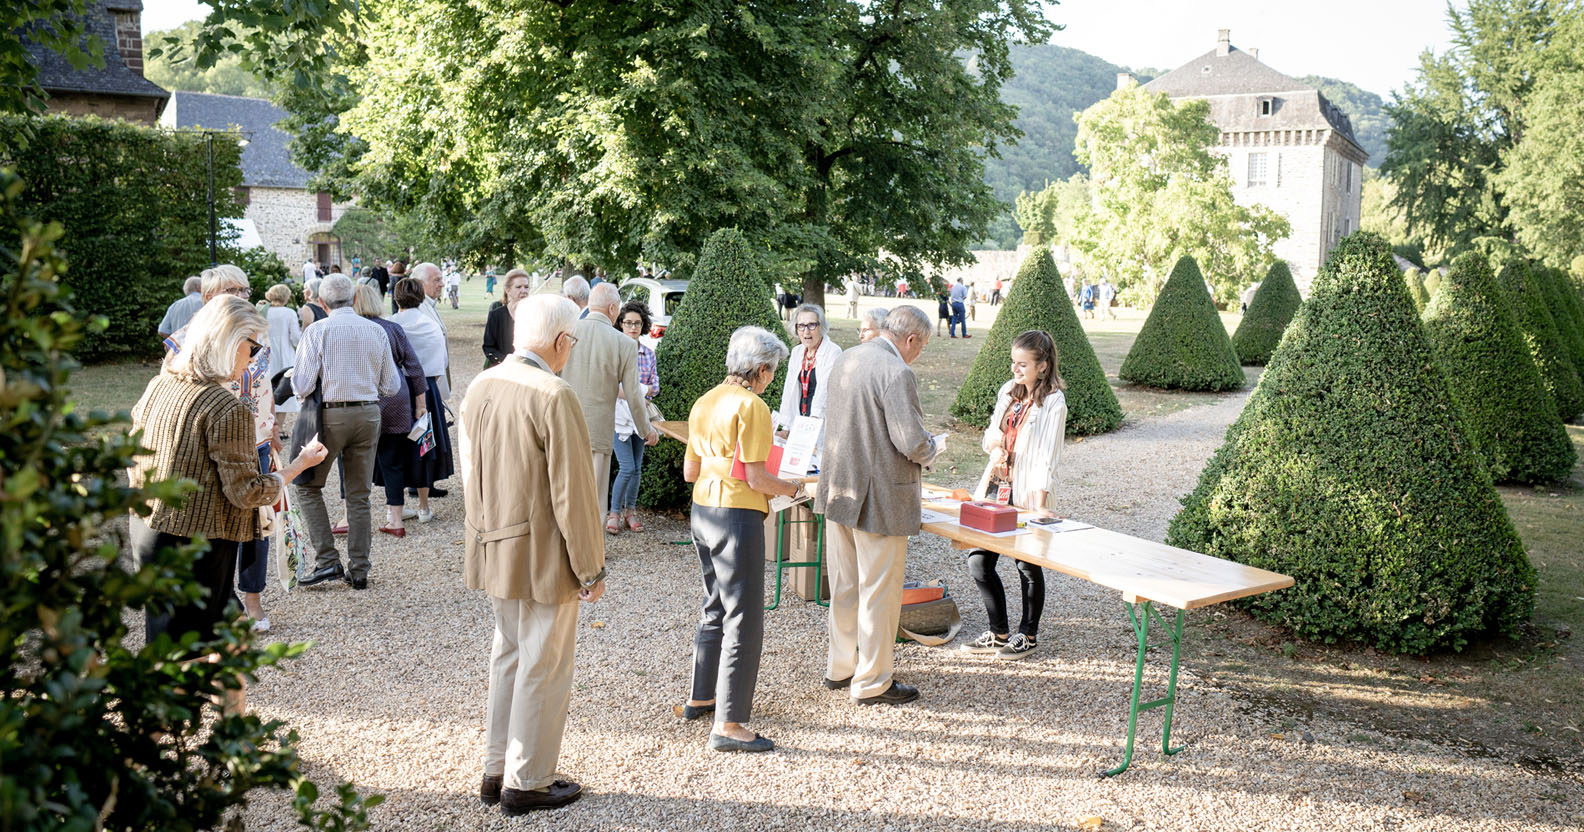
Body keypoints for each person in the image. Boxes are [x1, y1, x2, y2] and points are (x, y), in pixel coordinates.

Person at [130, 296, 327, 697]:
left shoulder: (159, 385)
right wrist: (298, 466)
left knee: (227, 634)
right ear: (225, 341)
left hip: (151, 530)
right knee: (181, 660)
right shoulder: (224, 405)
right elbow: (247, 492)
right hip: (196, 541)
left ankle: (233, 740)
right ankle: (163, 746)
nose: (255, 358)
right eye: (251, 346)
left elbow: (132, 453)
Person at [458, 294, 606, 814]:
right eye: (574, 342)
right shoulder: (554, 392)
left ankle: (496, 769)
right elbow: (575, 493)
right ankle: (528, 780)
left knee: (509, 656)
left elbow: (468, 473)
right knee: (542, 664)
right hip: (542, 551)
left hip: (493, 541)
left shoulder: (481, 383)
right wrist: (591, 567)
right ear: (563, 341)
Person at [679, 326, 804, 752]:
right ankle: (729, 723)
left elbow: (689, 472)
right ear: (763, 369)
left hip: (702, 511)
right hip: (737, 515)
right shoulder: (752, 407)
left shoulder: (703, 401)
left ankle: (702, 696)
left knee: (714, 605)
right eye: (773, 372)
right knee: (744, 616)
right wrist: (794, 488)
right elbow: (756, 477)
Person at [814, 305, 940, 706]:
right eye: (922, 346)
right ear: (912, 339)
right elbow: (911, 441)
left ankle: (841, 667)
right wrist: (933, 446)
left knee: (845, 586)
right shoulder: (896, 371)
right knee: (879, 593)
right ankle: (872, 683)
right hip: (880, 495)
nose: (918, 354)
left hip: (838, 488)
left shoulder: (847, 357)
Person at [163, 265, 277, 629]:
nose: (243, 297)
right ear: (209, 297)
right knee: (219, 524)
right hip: (210, 441)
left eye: (245, 290)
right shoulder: (184, 340)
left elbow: (265, 385)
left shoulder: (257, 334)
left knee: (258, 524)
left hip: (255, 438)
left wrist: (272, 427)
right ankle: (223, 601)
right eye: (234, 290)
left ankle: (253, 597)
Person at [959, 330, 1067, 660]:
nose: (1015, 370)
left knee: (1027, 566)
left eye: (1022, 364)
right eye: (1013, 362)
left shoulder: (1054, 402)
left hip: (1029, 494)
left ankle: (1028, 635)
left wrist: (1040, 503)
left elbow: (1048, 456)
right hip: (996, 490)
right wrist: (995, 449)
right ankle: (998, 631)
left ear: (1043, 366)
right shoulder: (1009, 391)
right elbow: (992, 431)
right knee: (979, 561)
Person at [291, 274, 400, 590]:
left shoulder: (318, 331)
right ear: (354, 299)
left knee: (308, 486)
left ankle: (327, 560)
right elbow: (391, 385)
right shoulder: (375, 330)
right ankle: (360, 569)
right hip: (367, 412)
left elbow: (302, 384)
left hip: (329, 415)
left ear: (322, 303)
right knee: (359, 493)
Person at [562, 283, 658, 520]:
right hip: (599, 430)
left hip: (564, 425)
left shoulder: (567, 331)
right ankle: (592, 555)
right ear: (614, 308)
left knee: (565, 495)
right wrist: (647, 429)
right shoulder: (624, 343)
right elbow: (635, 395)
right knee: (594, 500)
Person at [354, 284, 428, 537]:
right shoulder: (393, 328)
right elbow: (415, 369)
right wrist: (420, 404)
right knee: (393, 461)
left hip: (362, 398)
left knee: (353, 462)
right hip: (395, 397)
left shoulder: (350, 330)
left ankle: (349, 516)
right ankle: (396, 520)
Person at [390, 277, 455, 522]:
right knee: (423, 445)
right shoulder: (430, 325)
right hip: (426, 387)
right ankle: (424, 507)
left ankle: (395, 505)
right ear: (420, 297)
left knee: (394, 445)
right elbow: (441, 364)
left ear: (396, 298)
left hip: (396, 389)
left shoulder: (390, 324)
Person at [609, 300, 659, 534]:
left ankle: (631, 511)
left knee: (637, 468)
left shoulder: (648, 354)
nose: (632, 327)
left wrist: (633, 391)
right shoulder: (613, 351)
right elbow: (610, 387)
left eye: (637, 323)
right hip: (617, 419)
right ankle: (614, 512)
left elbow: (654, 387)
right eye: (628, 322)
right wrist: (638, 391)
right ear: (620, 324)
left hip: (640, 417)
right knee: (627, 467)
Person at [776, 303, 842, 437]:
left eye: (812, 325)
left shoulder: (833, 352)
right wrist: (786, 425)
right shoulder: (797, 352)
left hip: (820, 423)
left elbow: (824, 389)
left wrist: (812, 425)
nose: (806, 332)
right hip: (799, 421)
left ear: (821, 326)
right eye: (801, 326)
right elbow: (789, 389)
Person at [264, 284, 302, 417]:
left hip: (267, 352)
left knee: (267, 388)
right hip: (284, 352)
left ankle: (269, 423)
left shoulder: (264, 311)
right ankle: (279, 427)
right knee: (284, 389)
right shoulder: (289, 313)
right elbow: (295, 337)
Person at [482, 269, 533, 369]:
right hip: (501, 370)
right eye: (518, 287)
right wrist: (508, 364)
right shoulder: (496, 315)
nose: (523, 290)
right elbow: (489, 348)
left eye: (526, 287)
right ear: (508, 290)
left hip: (528, 371)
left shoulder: (536, 315)